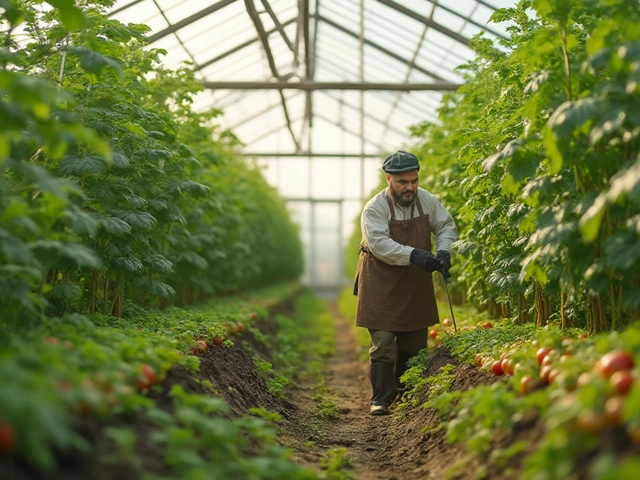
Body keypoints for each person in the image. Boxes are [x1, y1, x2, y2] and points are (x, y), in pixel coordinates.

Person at [353, 150, 457, 416]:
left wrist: (444, 250)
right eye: (403, 182)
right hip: (380, 279)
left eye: (414, 180)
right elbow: (379, 244)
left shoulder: (427, 201)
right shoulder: (375, 208)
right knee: (384, 340)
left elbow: (445, 226)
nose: (410, 187)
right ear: (389, 179)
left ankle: (406, 392)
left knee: (413, 341)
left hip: (413, 281)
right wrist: (415, 254)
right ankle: (381, 398)